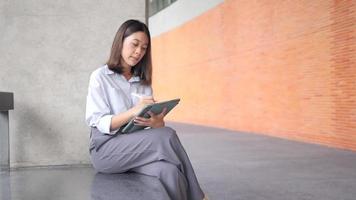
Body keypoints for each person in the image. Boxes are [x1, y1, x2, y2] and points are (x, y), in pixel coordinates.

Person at [85, 19, 208, 200]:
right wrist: (134, 111)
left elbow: (148, 128)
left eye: (144, 48)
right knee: (167, 134)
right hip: (106, 150)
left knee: (170, 171)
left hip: (135, 148)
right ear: (121, 42)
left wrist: (157, 123)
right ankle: (199, 196)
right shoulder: (100, 77)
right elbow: (97, 121)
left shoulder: (142, 82)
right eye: (135, 44)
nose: (138, 52)